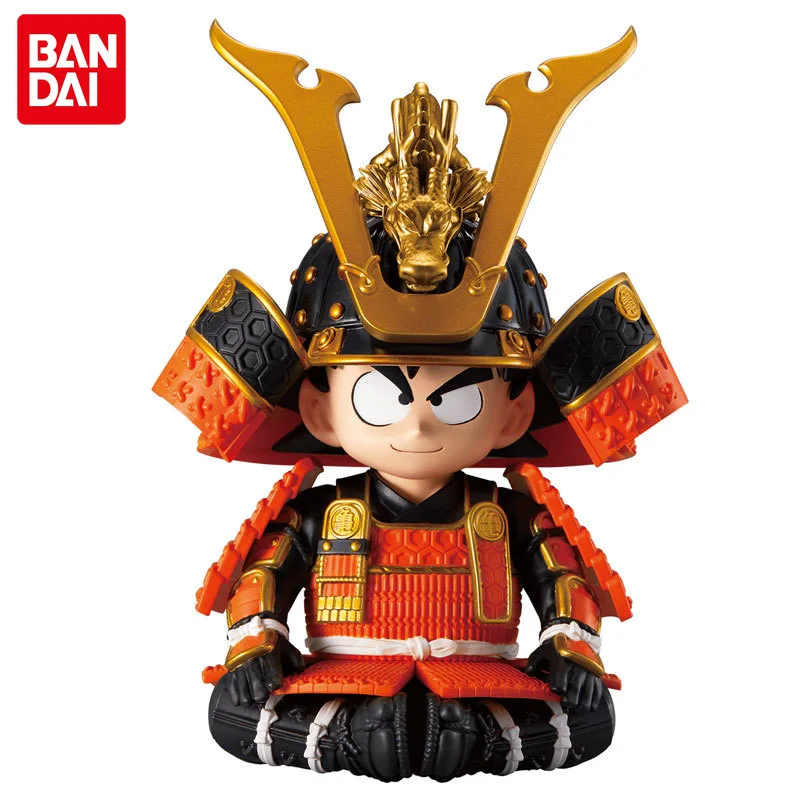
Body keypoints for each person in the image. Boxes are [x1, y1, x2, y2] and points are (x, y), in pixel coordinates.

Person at [154, 29, 686, 781]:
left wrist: (572, 650)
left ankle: (464, 738)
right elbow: (261, 582)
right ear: (321, 412)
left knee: (592, 719)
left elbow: (564, 587)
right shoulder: (318, 514)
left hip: (481, 679)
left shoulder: (511, 516)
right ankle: (354, 738)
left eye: (457, 394)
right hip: (343, 679)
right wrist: (256, 645)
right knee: (230, 714)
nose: (419, 420)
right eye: (382, 394)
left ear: (513, 413)